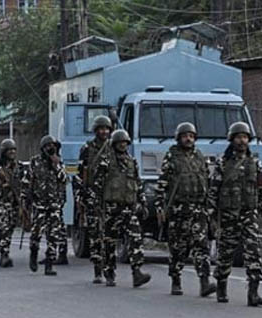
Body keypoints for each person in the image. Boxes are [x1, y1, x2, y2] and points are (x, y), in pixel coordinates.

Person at [208, 121, 262, 307]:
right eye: (238, 137)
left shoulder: (255, 164)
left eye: (245, 137)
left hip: (249, 215)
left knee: (253, 253)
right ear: (232, 139)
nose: (242, 141)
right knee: (225, 253)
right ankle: (221, 286)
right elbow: (214, 190)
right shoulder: (223, 164)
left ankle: (253, 292)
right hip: (229, 216)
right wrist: (210, 215)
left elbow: (261, 190)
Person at [155, 122, 216, 297]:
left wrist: (210, 206)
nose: (188, 139)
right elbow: (162, 184)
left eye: (191, 136)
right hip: (179, 210)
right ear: (179, 138)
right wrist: (160, 207)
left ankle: (204, 282)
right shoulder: (172, 157)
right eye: (185, 136)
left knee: (202, 247)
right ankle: (176, 280)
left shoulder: (199, 156)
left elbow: (207, 181)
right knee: (178, 248)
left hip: (198, 209)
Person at [91, 129, 151, 288]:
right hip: (111, 208)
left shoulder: (132, 162)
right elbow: (97, 185)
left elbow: (138, 184)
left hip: (128, 208)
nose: (122, 145)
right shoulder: (106, 161)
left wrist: (143, 203)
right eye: (119, 143)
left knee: (135, 237)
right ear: (114, 144)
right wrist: (96, 205)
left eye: (125, 142)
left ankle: (137, 272)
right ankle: (109, 272)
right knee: (109, 242)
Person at [22, 135, 66, 276]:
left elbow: (64, 179)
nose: (50, 148)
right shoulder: (35, 162)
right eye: (48, 146)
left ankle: (49, 263)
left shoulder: (58, 162)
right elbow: (27, 181)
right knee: (36, 233)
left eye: (52, 146)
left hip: (54, 204)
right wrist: (25, 200)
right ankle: (33, 254)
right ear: (43, 148)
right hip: (39, 204)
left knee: (53, 235)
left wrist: (56, 164)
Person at [75, 115, 112, 283]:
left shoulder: (114, 147)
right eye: (101, 129)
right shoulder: (87, 149)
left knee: (110, 235)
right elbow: (80, 174)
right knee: (95, 235)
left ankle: (110, 271)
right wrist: (80, 197)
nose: (104, 132)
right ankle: (98, 269)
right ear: (96, 131)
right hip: (92, 197)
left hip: (111, 197)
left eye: (106, 129)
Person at [0, 138, 21, 268]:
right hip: (1, 202)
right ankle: (4, 255)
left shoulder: (17, 166)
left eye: (14, 150)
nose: (12, 152)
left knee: (11, 227)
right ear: (4, 151)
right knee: (4, 228)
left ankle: (5, 251)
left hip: (14, 202)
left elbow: (22, 183)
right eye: (10, 150)